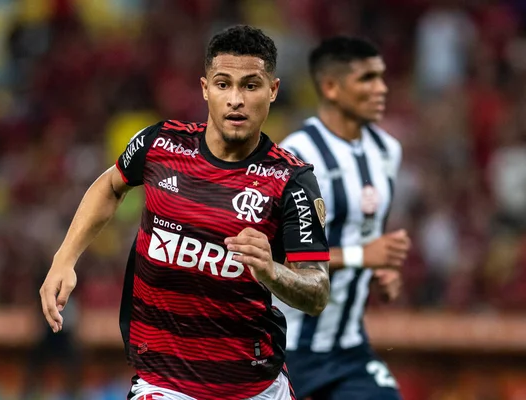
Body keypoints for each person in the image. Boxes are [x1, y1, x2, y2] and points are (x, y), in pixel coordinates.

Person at [39, 25, 331, 400]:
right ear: (205, 88)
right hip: (164, 385)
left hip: (254, 387)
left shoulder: (291, 182)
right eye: (223, 84)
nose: (236, 99)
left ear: (272, 91)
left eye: (251, 85)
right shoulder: (159, 144)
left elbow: (317, 290)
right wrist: (65, 258)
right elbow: (111, 185)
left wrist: (272, 271)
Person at [272, 36, 411, 400]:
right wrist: (363, 257)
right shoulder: (295, 157)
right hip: (283, 348)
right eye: (367, 79)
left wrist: (384, 269)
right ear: (331, 87)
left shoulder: (386, 151)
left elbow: (366, 234)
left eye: (382, 77)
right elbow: (275, 257)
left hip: (347, 347)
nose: (381, 88)